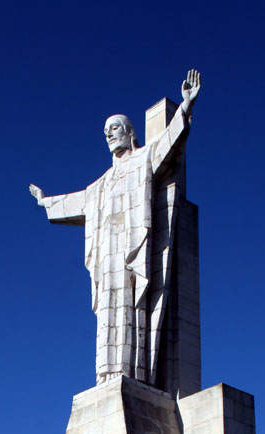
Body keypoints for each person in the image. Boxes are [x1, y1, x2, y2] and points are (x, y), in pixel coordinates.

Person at [30, 70, 201, 386]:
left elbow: (168, 145)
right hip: (107, 258)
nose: (109, 134)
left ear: (129, 132)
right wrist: (46, 202)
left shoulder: (143, 160)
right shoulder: (101, 186)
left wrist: (186, 107)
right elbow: (77, 202)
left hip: (132, 252)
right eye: (106, 131)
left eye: (115, 129)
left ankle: (130, 372)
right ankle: (106, 374)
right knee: (107, 314)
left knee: (131, 305)